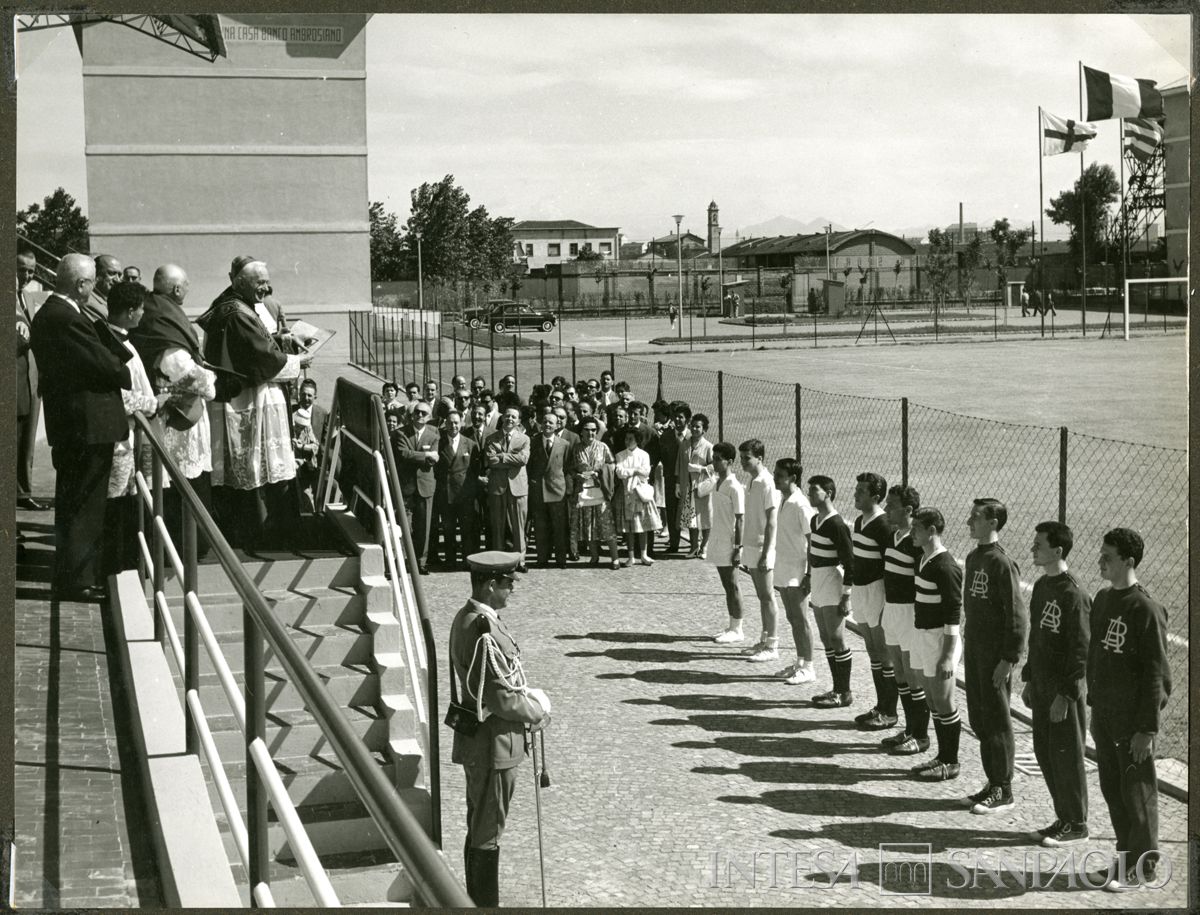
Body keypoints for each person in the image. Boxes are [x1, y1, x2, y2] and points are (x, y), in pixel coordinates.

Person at [448, 550, 552, 907]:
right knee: (488, 831)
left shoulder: (470, 618)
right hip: (495, 745)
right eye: (508, 584)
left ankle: (472, 900)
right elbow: (500, 699)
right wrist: (536, 710)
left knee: (480, 824)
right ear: (491, 585)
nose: (512, 590)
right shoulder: (482, 630)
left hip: (482, 742)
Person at [31, 254, 132, 601]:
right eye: (91, 284)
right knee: (85, 504)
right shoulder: (65, 317)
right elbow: (106, 365)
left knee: (76, 501)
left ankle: (74, 575)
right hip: (84, 425)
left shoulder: (56, 313)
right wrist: (121, 368)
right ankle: (78, 580)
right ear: (81, 284)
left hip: (76, 425)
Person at [198, 259, 310, 549]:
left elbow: (255, 341)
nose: (266, 288)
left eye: (267, 281)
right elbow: (260, 357)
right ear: (240, 283)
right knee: (256, 463)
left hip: (241, 397)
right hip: (249, 398)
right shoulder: (236, 312)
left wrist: (281, 337)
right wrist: (299, 362)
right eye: (260, 283)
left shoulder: (233, 303)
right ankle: (264, 533)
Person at [1088, 528, 1171, 892]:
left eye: (1108, 556)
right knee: (1114, 791)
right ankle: (1125, 860)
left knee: (1137, 795)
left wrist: (1147, 729)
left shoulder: (1146, 609)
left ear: (1128, 561)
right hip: (1104, 716)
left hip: (1131, 722)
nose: (1101, 561)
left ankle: (1143, 866)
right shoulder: (1104, 599)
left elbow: (1157, 675)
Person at [129, 263, 218, 552]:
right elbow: (177, 364)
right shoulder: (163, 315)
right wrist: (210, 384)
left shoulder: (155, 307)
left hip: (171, 410)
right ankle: (182, 548)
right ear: (177, 289)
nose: (188, 289)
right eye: (187, 285)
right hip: (174, 416)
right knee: (179, 483)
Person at [1022, 521, 1090, 848]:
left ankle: (1076, 822)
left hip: (1063, 692)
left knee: (1066, 756)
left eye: (1039, 544)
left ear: (1057, 551)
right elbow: (1036, 638)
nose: (1033, 548)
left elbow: (1081, 652)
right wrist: (1029, 679)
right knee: (1045, 752)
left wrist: (1066, 694)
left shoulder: (1073, 594)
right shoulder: (1041, 586)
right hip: (1042, 686)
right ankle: (1063, 817)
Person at [962, 498, 1027, 815]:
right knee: (980, 718)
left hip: (994, 655)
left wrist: (1008, 658)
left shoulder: (1002, 563)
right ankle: (992, 782)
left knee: (997, 720)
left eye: (976, 517)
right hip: (974, 650)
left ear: (993, 522)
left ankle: (1004, 789)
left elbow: (1017, 617)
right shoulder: (974, 556)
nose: (969, 521)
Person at [102, 283, 162, 575]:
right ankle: (116, 566)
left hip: (132, 436)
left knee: (129, 501)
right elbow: (118, 396)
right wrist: (154, 402)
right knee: (118, 506)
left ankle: (125, 562)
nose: (142, 314)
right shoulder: (110, 343)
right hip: (120, 438)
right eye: (140, 309)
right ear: (129, 312)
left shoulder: (123, 340)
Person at [909, 507, 965, 781]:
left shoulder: (946, 566)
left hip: (939, 640)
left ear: (931, 530)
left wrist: (947, 656)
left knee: (943, 700)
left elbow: (954, 614)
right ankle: (941, 756)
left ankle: (951, 762)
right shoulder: (923, 559)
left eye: (916, 528)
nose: (911, 533)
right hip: (922, 637)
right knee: (931, 698)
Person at [878, 484, 930, 757]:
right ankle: (910, 729)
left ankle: (921, 736)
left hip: (910, 613)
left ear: (908, 510)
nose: (886, 509)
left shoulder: (916, 542)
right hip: (892, 611)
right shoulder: (892, 535)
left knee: (912, 676)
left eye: (892, 505)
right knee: (899, 671)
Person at [850, 472, 898, 731]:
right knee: (871, 650)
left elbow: (889, 565)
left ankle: (890, 711)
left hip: (877, 592)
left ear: (876, 497)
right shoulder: (859, 521)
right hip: (860, 591)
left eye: (861, 491)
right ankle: (880, 706)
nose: (855, 494)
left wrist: (886, 603)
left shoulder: (883, 525)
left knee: (884, 653)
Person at [803, 475, 855, 709]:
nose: (810, 494)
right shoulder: (815, 520)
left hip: (833, 583)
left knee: (837, 638)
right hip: (818, 581)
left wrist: (846, 595)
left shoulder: (837, 524)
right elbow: (812, 551)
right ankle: (836, 689)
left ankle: (844, 692)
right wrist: (808, 576)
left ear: (829, 493)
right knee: (825, 637)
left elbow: (850, 562)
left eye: (815, 491)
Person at [772, 458, 817, 685]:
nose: (775, 477)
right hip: (783, 566)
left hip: (798, 570)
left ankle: (809, 667)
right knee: (792, 618)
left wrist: (809, 574)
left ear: (793, 478)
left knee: (801, 619)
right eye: (776, 473)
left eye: (780, 475)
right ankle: (800, 662)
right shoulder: (783, 499)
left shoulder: (800, 504)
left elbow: (812, 541)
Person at [737, 439, 781, 662]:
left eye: (747, 458)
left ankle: (772, 645)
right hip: (752, 545)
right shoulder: (752, 481)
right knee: (761, 597)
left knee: (767, 597)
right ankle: (764, 640)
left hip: (763, 548)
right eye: (742, 458)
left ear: (760, 459)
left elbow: (772, 520)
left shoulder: (766, 482)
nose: (743, 462)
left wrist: (765, 553)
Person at [16, 249, 46, 510]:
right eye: (21, 269)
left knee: (27, 442)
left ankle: (24, 493)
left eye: (31, 270)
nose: (26, 275)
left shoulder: (27, 297)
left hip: (31, 379)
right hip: (13, 382)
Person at [570, 416, 620, 569]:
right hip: (583, 491)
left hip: (600, 490)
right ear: (581, 432)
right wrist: (577, 475)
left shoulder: (603, 446)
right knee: (588, 524)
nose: (590, 433)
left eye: (593, 430)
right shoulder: (576, 448)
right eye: (587, 430)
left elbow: (612, 465)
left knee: (606, 525)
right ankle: (594, 556)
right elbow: (571, 468)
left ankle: (615, 558)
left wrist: (600, 472)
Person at [708, 442, 746, 643]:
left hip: (730, 542)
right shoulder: (717, 482)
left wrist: (737, 548)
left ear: (729, 462)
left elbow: (740, 519)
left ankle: (738, 629)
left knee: (733, 585)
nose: (713, 463)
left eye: (717, 459)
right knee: (727, 585)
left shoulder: (734, 486)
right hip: (718, 538)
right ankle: (732, 625)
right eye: (713, 458)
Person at [484, 406, 530, 571]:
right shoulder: (491, 438)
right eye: (507, 416)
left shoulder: (524, 439)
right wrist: (512, 459)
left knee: (519, 526)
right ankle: (499, 560)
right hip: (498, 487)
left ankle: (520, 561)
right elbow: (491, 461)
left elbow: (523, 459)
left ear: (518, 421)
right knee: (498, 525)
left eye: (514, 417)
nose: (510, 419)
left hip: (518, 487)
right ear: (502, 418)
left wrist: (502, 456)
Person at [396, 400, 440, 573]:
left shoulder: (434, 433)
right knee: (405, 526)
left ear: (429, 417)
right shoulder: (400, 433)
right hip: (407, 486)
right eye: (417, 412)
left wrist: (424, 456)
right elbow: (403, 454)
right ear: (412, 414)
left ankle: (420, 563)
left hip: (425, 485)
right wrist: (427, 454)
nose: (419, 415)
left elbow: (433, 460)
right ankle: (403, 561)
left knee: (424, 527)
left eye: (423, 413)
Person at [436, 408, 481, 569]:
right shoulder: (438, 442)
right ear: (445, 424)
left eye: (456, 422)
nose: (453, 426)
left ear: (461, 423)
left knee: (466, 529)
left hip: (464, 493)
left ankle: (467, 560)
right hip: (446, 492)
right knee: (448, 529)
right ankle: (450, 560)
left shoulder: (470, 444)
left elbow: (475, 470)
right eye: (450, 423)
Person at [527, 411, 570, 568]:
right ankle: (542, 558)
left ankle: (561, 559)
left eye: (551, 422)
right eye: (544, 421)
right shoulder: (533, 442)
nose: (547, 425)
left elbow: (567, 468)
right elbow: (529, 466)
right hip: (538, 490)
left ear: (557, 425)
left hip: (558, 491)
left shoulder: (564, 444)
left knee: (559, 527)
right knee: (540, 526)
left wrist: (568, 490)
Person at [613, 426, 660, 566]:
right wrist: (635, 471)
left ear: (637, 440)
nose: (627, 441)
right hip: (626, 494)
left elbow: (646, 472)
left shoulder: (644, 454)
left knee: (642, 526)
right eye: (626, 439)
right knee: (629, 528)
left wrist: (630, 471)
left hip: (640, 494)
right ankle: (631, 556)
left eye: (631, 439)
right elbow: (619, 472)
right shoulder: (620, 455)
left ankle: (644, 555)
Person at [291, 378, 327, 514]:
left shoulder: (322, 414)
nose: (306, 398)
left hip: (314, 464)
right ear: (299, 394)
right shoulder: (290, 411)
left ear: (315, 397)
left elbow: (323, 441)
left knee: (316, 500)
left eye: (310, 395)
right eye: (303, 394)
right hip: (294, 464)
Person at [681, 413, 714, 558]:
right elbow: (679, 463)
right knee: (691, 518)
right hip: (688, 486)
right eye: (692, 426)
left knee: (705, 517)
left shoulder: (708, 446)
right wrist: (678, 483)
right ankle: (694, 546)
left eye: (698, 427)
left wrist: (699, 469)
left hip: (702, 487)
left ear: (704, 429)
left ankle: (705, 546)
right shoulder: (685, 443)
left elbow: (714, 465)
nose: (694, 429)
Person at [660, 402, 690, 554]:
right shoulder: (666, 436)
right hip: (671, 479)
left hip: (689, 481)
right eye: (675, 417)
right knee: (671, 511)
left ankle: (694, 545)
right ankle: (674, 542)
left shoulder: (693, 436)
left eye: (681, 417)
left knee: (690, 511)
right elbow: (662, 457)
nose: (677, 420)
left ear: (687, 420)